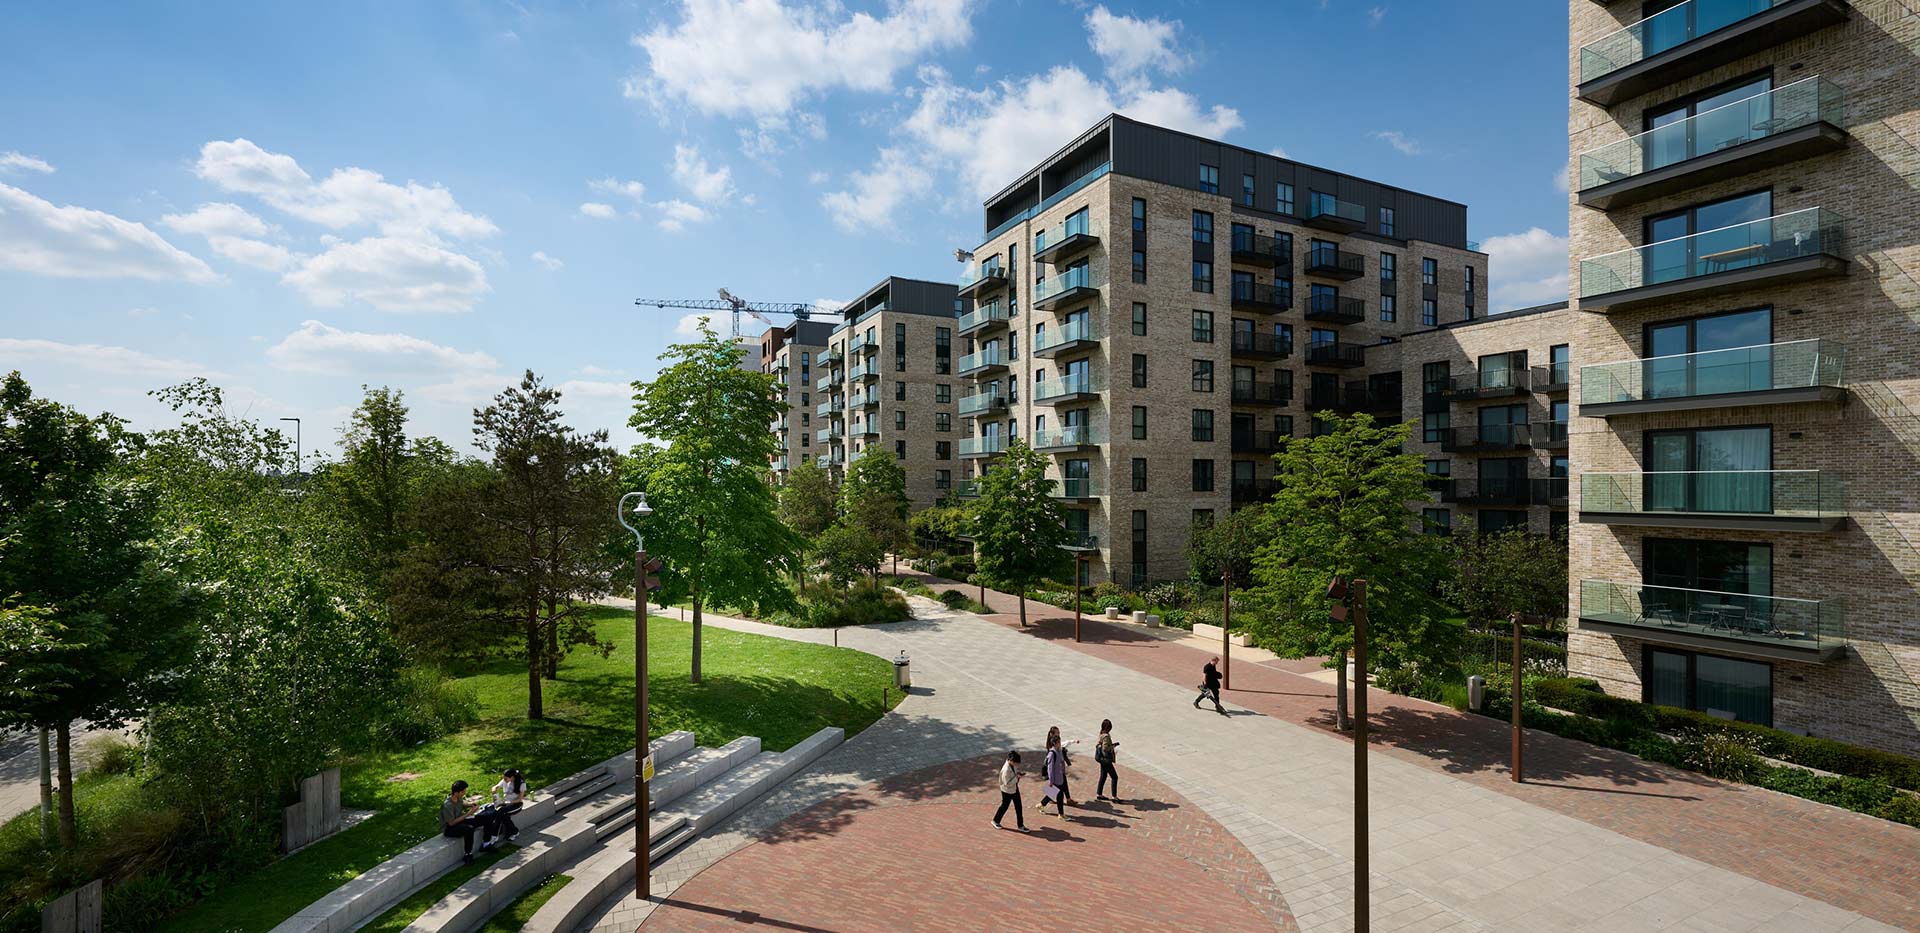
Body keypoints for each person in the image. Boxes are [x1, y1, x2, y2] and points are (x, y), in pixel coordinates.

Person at [440, 780, 494, 863]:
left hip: (460, 821)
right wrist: (469, 813)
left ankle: (486, 844)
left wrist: (470, 805)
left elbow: (461, 804)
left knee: (487, 818)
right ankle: (468, 854)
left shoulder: (458, 798)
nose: (464, 793)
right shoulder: (448, 805)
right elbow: (451, 823)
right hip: (450, 828)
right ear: (456, 793)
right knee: (468, 829)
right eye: (463, 792)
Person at [1039, 727, 1071, 820]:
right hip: (1056, 778)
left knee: (1056, 793)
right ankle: (1060, 814)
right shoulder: (1052, 753)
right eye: (1059, 743)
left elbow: (1061, 762)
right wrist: (1051, 780)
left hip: (1060, 776)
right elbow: (1050, 768)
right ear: (1055, 743)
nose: (1060, 744)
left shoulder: (1059, 750)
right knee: (1058, 794)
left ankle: (1042, 805)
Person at [991, 750, 1027, 832]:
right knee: (1004, 806)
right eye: (1016, 763)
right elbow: (1007, 783)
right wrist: (1017, 778)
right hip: (1007, 790)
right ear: (1011, 761)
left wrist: (1018, 774)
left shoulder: (1012, 765)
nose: (1017, 765)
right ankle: (995, 821)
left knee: (1018, 807)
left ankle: (1020, 825)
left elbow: (1014, 773)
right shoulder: (1006, 770)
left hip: (1014, 788)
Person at [490, 768, 526, 840]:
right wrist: (494, 789)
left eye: (506, 778)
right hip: (506, 804)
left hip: (516, 804)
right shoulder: (505, 780)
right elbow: (496, 786)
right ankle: (514, 831)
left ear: (512, 777)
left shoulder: (521, 783)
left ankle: (495, 834)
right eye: (503, 778)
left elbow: (520, 799)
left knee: (501, 812)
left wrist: (509, 802)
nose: (504, 780)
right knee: (502, 814)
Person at [1094, 719, 1120, 802]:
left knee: (1103, 776)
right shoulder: (1106, 736)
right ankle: (1114, 796)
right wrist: (1112, 747)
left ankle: (1099, 793)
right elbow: (1105, 748)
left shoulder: (1101, 734)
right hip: (1106, 759)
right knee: (1114, 777)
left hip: (1102, 759)